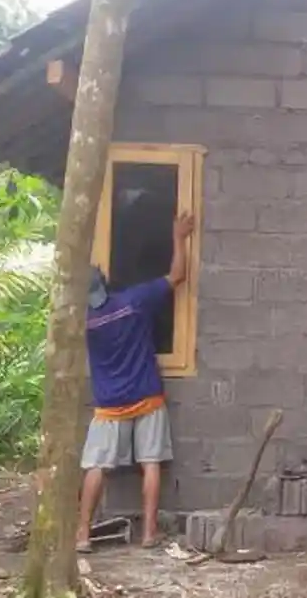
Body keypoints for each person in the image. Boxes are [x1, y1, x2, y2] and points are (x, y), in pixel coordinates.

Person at [75, 212, 195, 553]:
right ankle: (149, 533)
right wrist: (179, 237)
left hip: (110, 404)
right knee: (150, 463)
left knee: (97, 466)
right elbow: (177, 275)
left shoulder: (86, 323)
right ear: (106, 282)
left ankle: (82, 534)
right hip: (146, 396)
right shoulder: (134, 302)